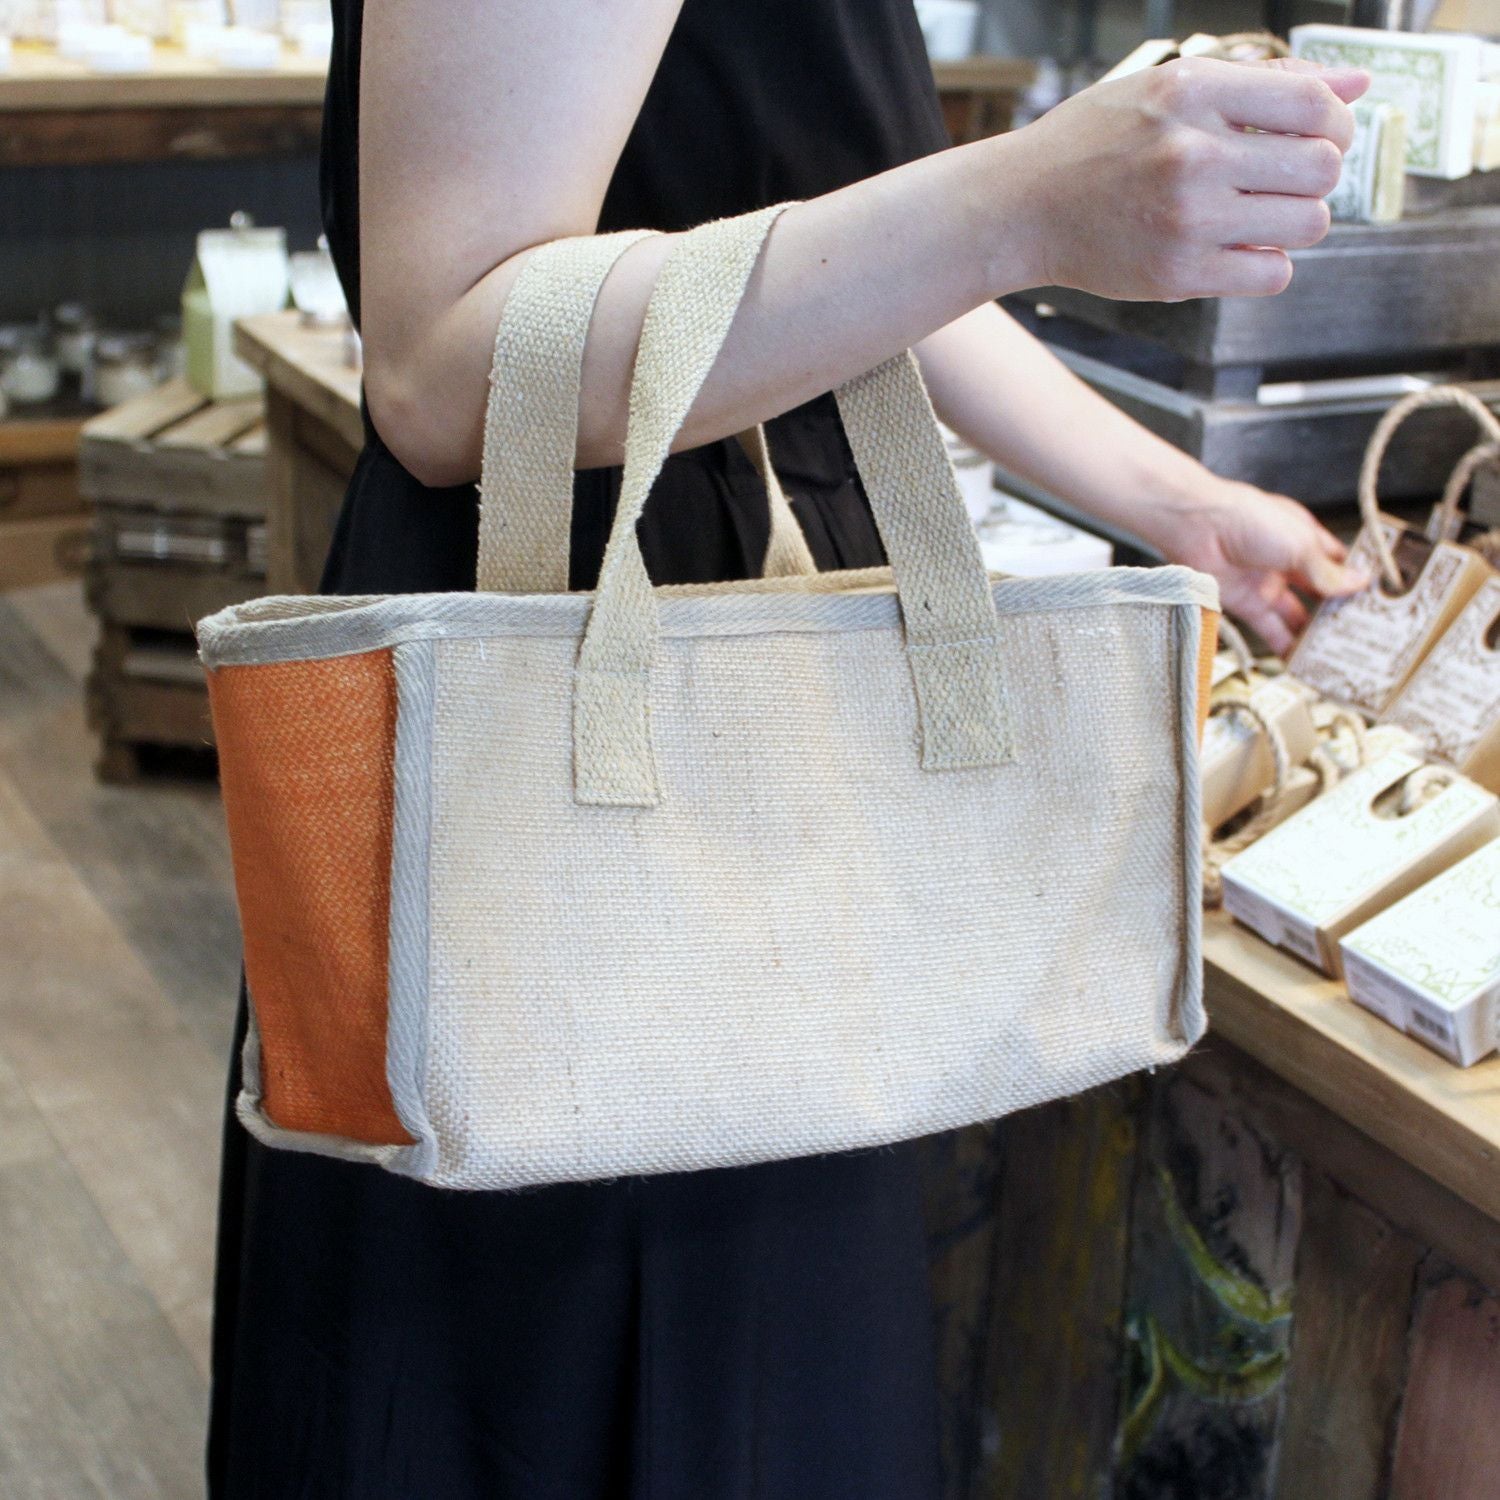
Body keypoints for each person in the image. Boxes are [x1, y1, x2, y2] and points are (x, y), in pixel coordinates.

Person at [208, 2, 1369, 1495]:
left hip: (764, 721)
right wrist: (1021, 199)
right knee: (552, 1383)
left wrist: (1174, 501)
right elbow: (444, 372)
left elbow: (825, 227)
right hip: (565, 702)